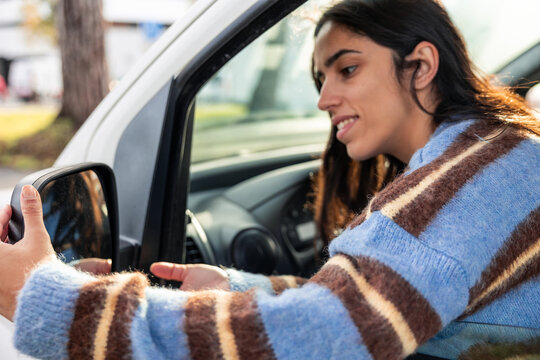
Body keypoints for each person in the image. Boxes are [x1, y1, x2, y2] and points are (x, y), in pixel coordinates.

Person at [0, 0, 539, 359]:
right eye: (320, 77)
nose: (325, 97)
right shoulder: (491, 154)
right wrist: (243, 289)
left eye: (347, 68)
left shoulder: (476, 176)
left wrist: (45, 297)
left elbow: (325, 335)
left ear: (420, 66)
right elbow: (383, 308)